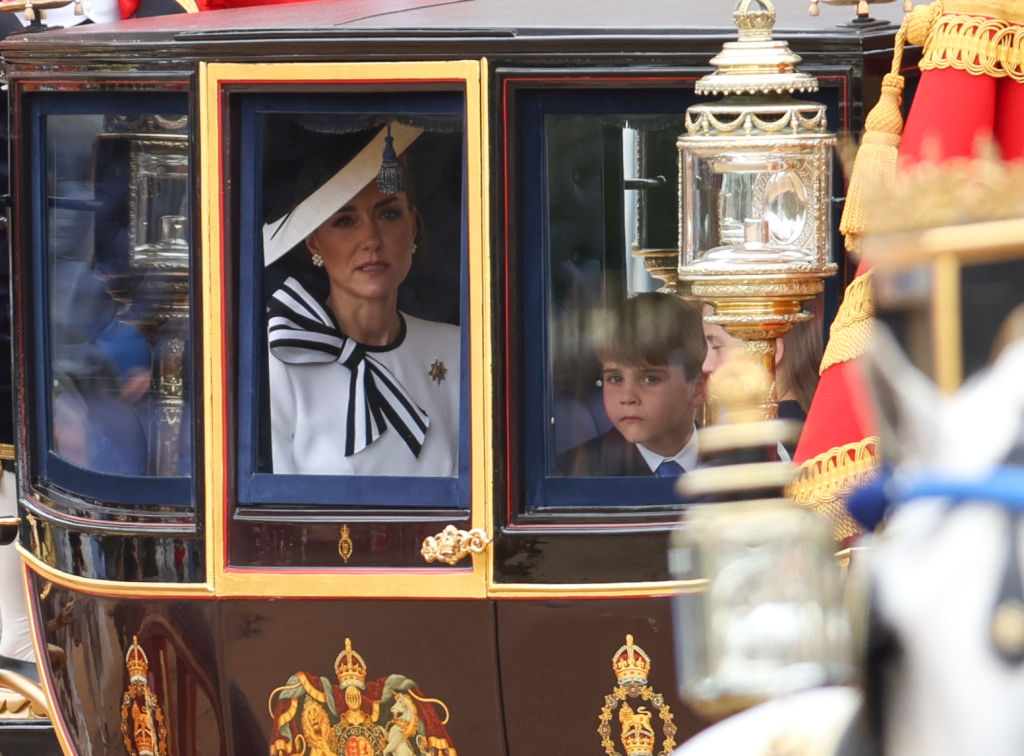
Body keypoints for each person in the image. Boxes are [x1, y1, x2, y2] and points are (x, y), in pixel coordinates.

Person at [263, 122, 460, 476]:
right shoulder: (282, 357)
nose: (371, 238)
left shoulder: (458, 350)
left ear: (412, 227)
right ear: (314, 243)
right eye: (344, 221)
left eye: (387, 214)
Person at [556, 292, 707, 476]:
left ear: (698, 388)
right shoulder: (574, 473)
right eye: (615, 379)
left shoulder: (736, 466)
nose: (628, 397)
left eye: (650, 379)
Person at [701, 303, 821, 423]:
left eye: (716, 347)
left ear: (770, 351)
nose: (706, 366)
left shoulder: (771, 436)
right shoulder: (812, 423)